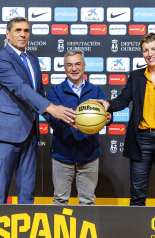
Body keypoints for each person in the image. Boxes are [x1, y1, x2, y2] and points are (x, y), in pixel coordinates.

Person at [0, 17, 76, 204]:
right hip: (6, 133)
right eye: (18, 30)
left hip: (30, 132)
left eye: (26, 31)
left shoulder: (33, 59)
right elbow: (20, 88)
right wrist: (52, 108)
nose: (22, 34)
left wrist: (58, 119)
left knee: (27, 192)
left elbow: (38, 94)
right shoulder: (0, 58)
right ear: (8, 33)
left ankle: (24, 231)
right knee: (0, 190)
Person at [94, 33, 155, 206]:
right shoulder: (136, 76)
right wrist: (107, 104)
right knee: (137, 194)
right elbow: (123, 99)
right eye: (145, 50)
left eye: (153, 49)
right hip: (141, 140)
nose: (150, 54)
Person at [46, 49, 112, 205]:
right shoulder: (56, 91)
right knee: (60, 199)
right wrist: (67, 119)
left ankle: (86, 230)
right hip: (62, 155)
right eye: (69, 65)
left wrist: (109, 118)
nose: (74, 68)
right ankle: (60, 230)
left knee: (87, 201)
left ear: (84, 65)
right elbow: (50, 119)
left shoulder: (96, 90)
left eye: (77, 64)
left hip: (89, 156)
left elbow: (104, 115)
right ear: (64, 67)